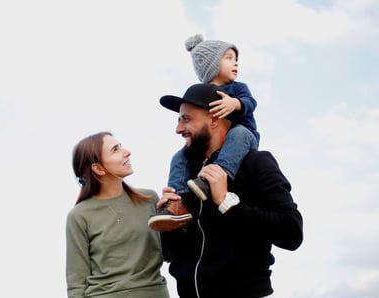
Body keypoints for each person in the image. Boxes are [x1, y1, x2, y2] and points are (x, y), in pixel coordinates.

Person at [158, 83, 304, 297]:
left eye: (186, 119)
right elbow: (172, 253)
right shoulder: (185, 172)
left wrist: (227, 202)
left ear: (215, 119)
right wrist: (170, 228)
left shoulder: (256, 162)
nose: (178, 129)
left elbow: (292, 233)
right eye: (179, 120)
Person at [149, 34, 259, 231]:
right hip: (216, 149)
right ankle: (178, 201)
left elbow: (251, 103)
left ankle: (214, 177)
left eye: (236, 59)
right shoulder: (200, 94)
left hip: (244, 137)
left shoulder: (237, 88)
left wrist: (235, 103)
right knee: (179, 155)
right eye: (228, 58)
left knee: (238, 133)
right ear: (212, 64)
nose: (235, 63)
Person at [65, 131, 170, 298]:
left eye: (121, 146)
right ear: (98, 168)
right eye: (115, 149)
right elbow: (76, 283)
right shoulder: (79, 216)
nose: (127, 152)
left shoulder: (149, 199)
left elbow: (170, 254)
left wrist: (175, 218)